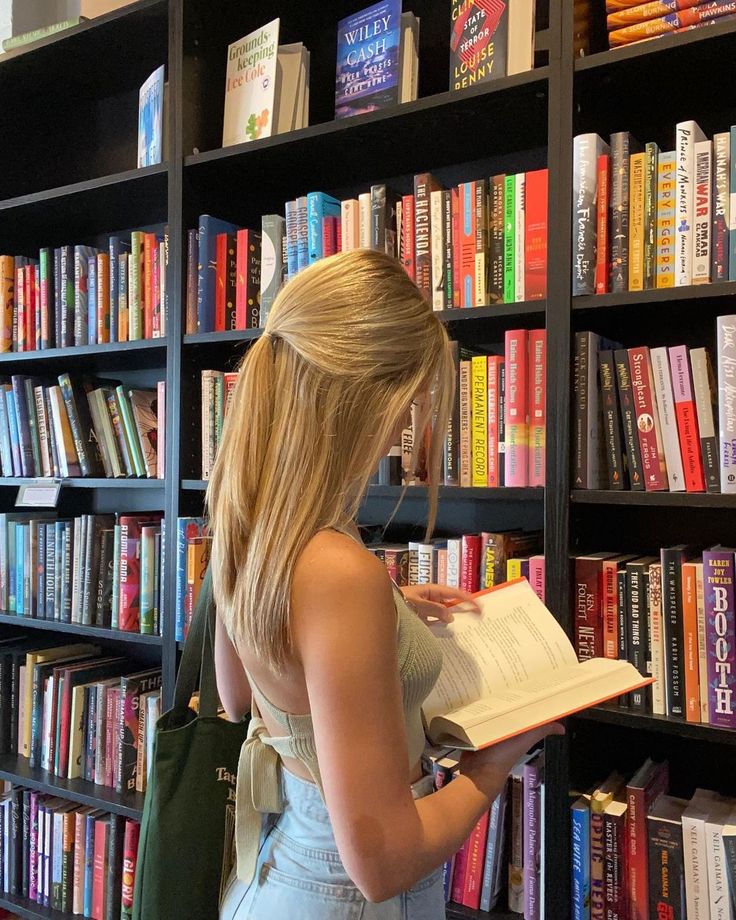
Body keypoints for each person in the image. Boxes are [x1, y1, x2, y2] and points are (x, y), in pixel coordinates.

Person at [208, 249, 562, 919]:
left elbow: (236, 697)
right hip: (340, 897)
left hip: (279, 871)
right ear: (372, 396)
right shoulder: (336, 569)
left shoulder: (250, 517)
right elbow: (383, 863)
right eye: (411, 402)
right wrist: (495, 764)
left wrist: (387, 617)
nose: (407, 425)